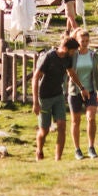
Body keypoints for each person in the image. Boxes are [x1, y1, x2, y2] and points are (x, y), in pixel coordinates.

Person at [32, 33, 80, 161]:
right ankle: (39, 150)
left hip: (58, 95)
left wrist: (82, 87)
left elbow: (71, 73)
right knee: (45, 130)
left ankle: (58, 159)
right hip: (45, 97)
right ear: (66, 48)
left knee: (62, 125)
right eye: (73, 51)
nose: (74, 53)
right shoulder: (49, 57)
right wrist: (35, 102)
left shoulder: (67, 58)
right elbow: (36, 77)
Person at [68, 27, 98, 159]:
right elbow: (70, 74)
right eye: (82, 41)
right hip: (75, 91)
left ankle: (91, 147)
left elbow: (95, 76)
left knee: (91, 117)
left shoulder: (93, 55)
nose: (85, 43)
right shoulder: (73, 55)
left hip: (91, 91)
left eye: (87, 41)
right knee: (75, 121)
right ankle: (77, 149)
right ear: (77, 41)